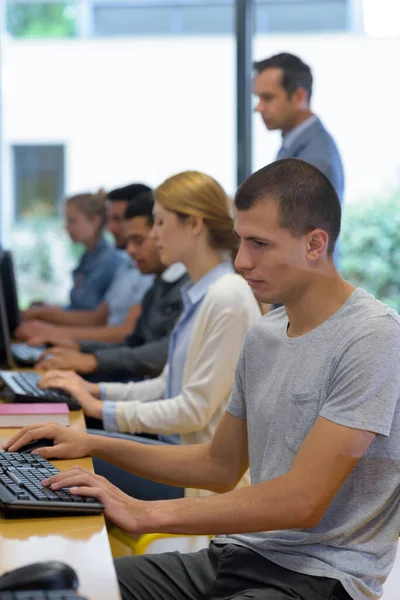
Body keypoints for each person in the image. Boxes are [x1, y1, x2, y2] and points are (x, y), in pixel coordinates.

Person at [5, 159, 400, 600]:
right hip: (241, 554)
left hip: (323, 578)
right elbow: (219, 466)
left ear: (315, 244)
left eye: (259, 244)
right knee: (69, 587)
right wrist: (95, 444)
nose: (241, 260)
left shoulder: (374, 336)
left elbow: (303, 500)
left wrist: (146, 512)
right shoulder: (266, 333)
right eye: (240, 240)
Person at [35, 170, 261, 500]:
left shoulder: (228, 297)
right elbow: (165, 385)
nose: (153, 236)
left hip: (197, 479)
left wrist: (102, 410)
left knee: (58, 459)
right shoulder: (203, 292)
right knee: (56, 449)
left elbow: (193, 409)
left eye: (159, 222)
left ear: (194, 224)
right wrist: (93, 390)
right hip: (174, 453)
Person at [31, 192, 188, 382]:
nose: (129, 249)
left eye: (138, 240)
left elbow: (162, 355)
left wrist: (91, 360)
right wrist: (79, 347)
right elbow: (133, 342)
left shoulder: (185, 286)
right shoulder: (157, 283)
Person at [15, 184, 154, 340]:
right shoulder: (126, 265)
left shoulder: (118, 264)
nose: (110, 227)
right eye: (109, 219)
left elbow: (123, 332)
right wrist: (46, 317)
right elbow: (97, 318)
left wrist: (50, 330)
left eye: (72, 220)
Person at [254, 52, 344, 202]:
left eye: (268, 98)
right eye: (258, 98)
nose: (259, 108)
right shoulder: (296, 143)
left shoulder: (315, 162)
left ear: (299, 97)